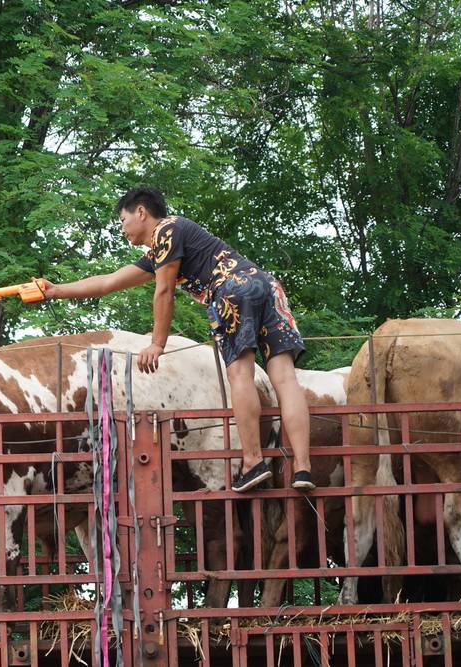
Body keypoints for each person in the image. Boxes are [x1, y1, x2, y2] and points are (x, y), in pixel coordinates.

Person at [42, 187, 313, 492]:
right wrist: (56, 290)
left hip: (232, 288)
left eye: (123, 219)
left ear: (141, 212)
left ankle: (252, 462)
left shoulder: (166, 230)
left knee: (240, 375)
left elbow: (164, 291)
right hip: (267, 286)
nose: (122, 228)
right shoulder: (167, 246)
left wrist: (157, 343)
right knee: (285, 379)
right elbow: (108, 282)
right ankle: (303, 467)